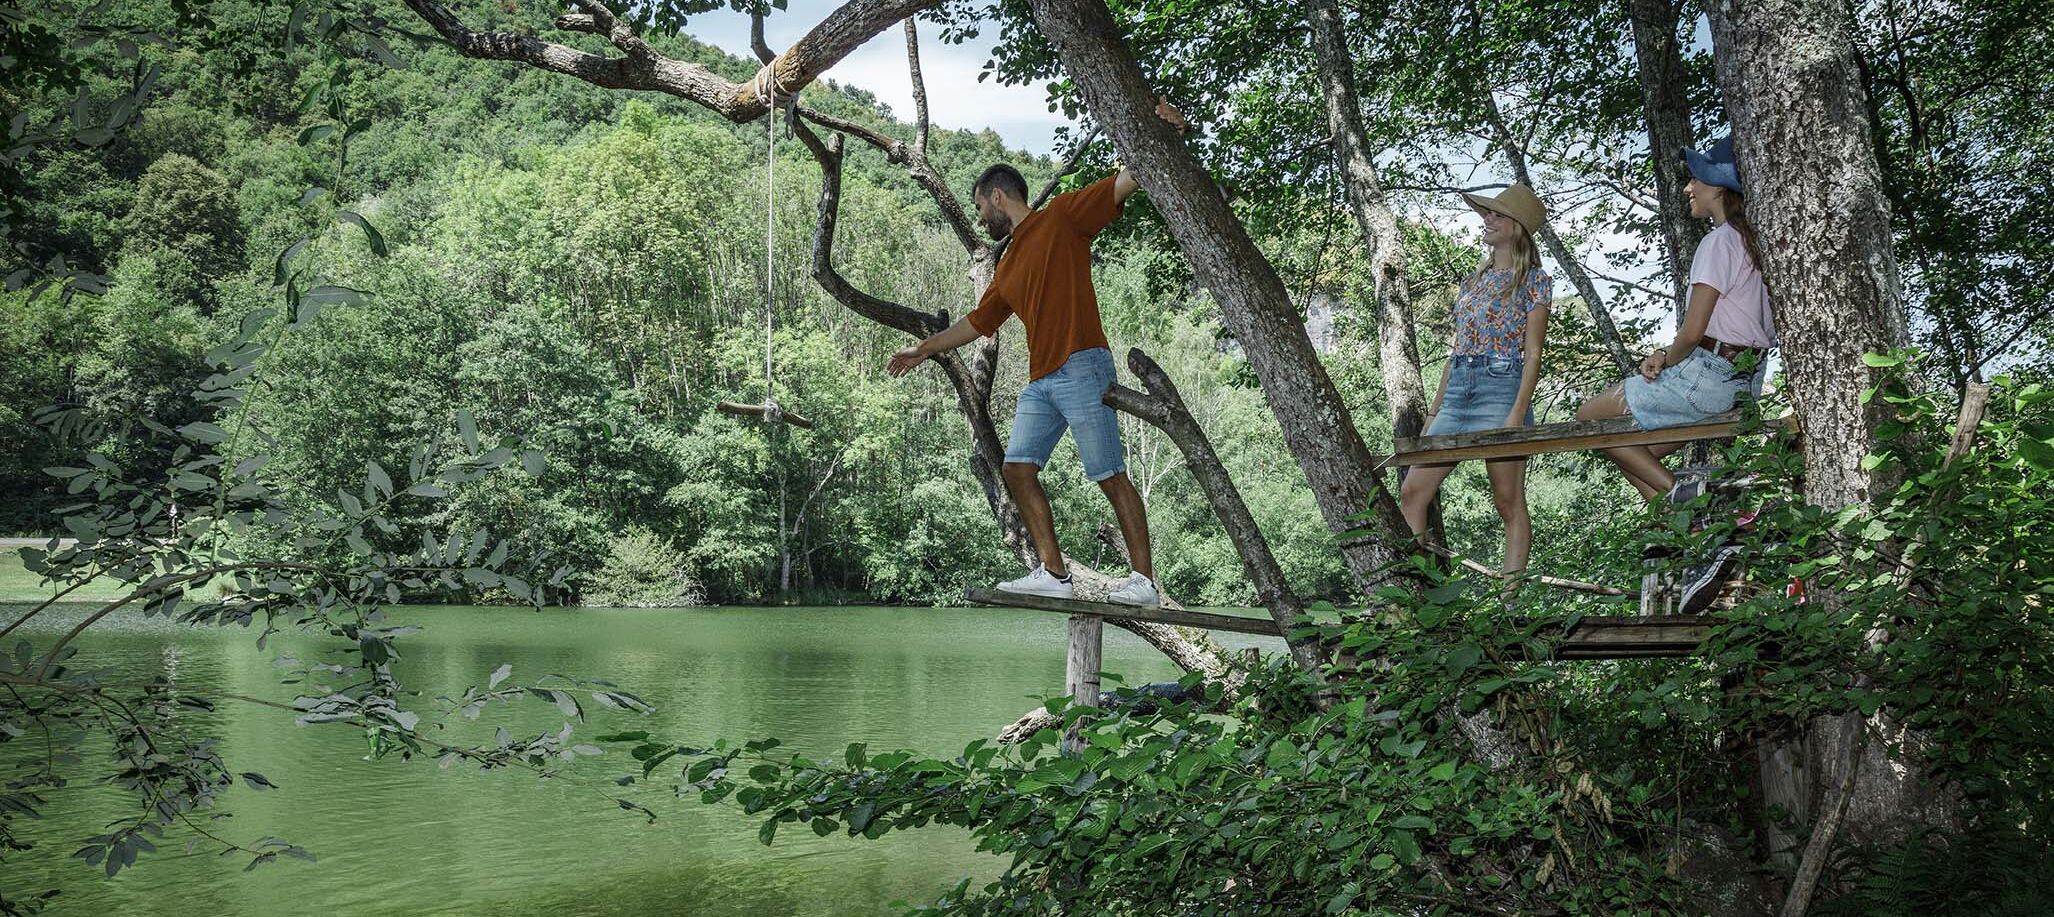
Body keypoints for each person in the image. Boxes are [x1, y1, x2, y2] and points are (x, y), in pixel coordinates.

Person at [887, 98, 1187, 608]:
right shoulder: (1006, 268)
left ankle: (1144, 584)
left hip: (1083, 364)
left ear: (998, 197)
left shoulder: (1063, 217)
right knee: (1016, 468)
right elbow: (977, 323)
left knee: (1108, 474)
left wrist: (1165, 131)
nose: (981, 219)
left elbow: (1125, 181)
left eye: (981, 209)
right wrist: (924, 349)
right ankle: (1054, 571)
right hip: (1043, 381)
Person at [1574, 135, 1776, 504]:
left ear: (1717, 188)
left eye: (1695, 179)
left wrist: (1665, 358)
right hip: (1746, 382)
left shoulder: (1719, 242)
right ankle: (1689, 533)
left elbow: (1694, 331)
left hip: (1712, 374)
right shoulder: (1755, 243)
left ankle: (1685, 497)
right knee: (1639, 456)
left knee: (1589, 419)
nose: (1689, 188)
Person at [1399, 184, 1553, 578]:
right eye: (1487, 213)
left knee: (1508, 502)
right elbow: (1457, 350)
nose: (1487, 219)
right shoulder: (1472, 281)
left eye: (1497, 214)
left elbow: (1533, 352)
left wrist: (1517, 412)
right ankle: (1417, 595)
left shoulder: (1535, 281)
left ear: (1517, 227)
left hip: (1501, 389)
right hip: (1458, 391)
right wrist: (1434, 412)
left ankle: (1510, 604)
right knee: (1413, 492)